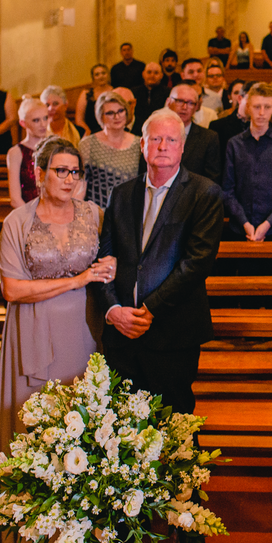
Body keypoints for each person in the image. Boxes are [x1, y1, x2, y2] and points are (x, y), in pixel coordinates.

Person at [96, 109, 225, 415]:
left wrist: (149, 309)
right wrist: (114, 310)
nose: (163, 146)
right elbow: (104, 256)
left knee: (174, 424)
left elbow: (197, 263)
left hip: (172, 331)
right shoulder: (122, 193)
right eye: (156, 139)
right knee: (120, 428)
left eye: (171, 139)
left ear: (182, 146)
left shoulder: (204, 193)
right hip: (122, 333)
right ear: (143, 144)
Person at [0, 138, 109, 452]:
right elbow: (12, 289)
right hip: (32, 326)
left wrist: (111, 264)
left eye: (76, 172)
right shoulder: (17, 222)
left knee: (81, 409)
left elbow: (112, 263)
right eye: (61, 171)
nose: (70, 180)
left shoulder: (94, 215)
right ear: (38, 172)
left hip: (84, 325)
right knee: (34, 413)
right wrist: (77, 281)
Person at [223, 83, 272, 241]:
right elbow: (228, 190)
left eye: (267, 107)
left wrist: (267, 224)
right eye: (257, 107)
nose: (262, 113)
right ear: (248, 107)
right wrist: (245, 223)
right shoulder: (234, 144)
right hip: (240, 228)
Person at [78, 91, 142, 208]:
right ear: (100, 116)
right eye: (110, 113)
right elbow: (80, 184)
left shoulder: (139, 144)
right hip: (97, 213)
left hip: (129, 211)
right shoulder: (88, 144)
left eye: (120, 111)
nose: (117, 117)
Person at [6, 98, 50, 209]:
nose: (43, 124)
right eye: (36, 120)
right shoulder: (16, 152)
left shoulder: (56, 148)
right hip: (28, 214)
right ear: (23, 123)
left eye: (45, 118)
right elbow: (15, 199)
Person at [209, 79, 250, 155]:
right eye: (236, 93)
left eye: (243, 93)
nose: (239, 96)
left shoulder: (260, 125)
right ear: (229, 96)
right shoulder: (217, 126)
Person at [75, 63, 113, 136]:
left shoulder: (116, 91)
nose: (101, 76)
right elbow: (79, 119)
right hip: (91, 133)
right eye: (97, 74)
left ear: (108, 75)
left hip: (112, 132)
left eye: (103, 73)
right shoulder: (86, 94)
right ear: (93, 77)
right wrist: (88, 132)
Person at [132, 62, 170, 134]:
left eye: (156, 73)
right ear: (143, 74)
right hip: (137, 132)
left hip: (161, 131)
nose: (152, 75)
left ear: (161, 75)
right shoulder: (133, 93)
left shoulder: (169, 93)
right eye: (149, 72)